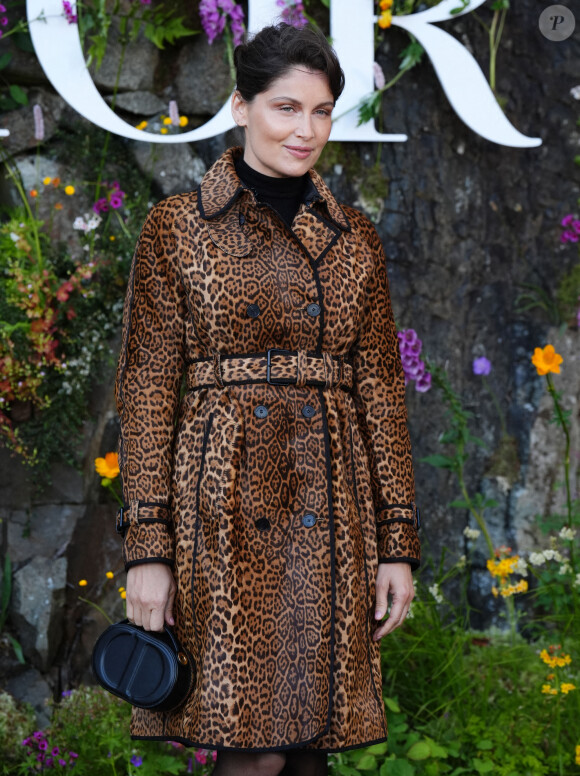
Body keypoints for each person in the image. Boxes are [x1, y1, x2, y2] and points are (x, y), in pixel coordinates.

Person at [115, 21, 421, 776]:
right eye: (286, 108)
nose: (306, 130)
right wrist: (147, 545)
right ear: (241, 105)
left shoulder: (354, 238)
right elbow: (149, 389)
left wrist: (398, 542)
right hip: (222, 508)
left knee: (309, 744)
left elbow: (381, 387)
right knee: (254, 748)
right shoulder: (177, 230)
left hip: (331, 507)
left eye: (321, 112)